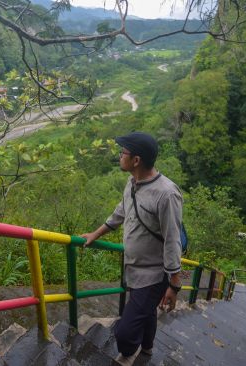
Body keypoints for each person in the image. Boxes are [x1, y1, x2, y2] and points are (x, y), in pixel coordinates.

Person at [81, 131, 183, 365]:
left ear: (136, 160)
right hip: (133, 269)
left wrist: (174, 285)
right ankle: (146, 350)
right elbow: (122, 210)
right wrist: (96, 234)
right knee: (146, 313)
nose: (119, 156)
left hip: (154, 276)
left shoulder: (167, 194)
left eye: (123, 152)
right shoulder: (133, 183)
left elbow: (172, 240)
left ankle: (128, 353)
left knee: (125, 333)